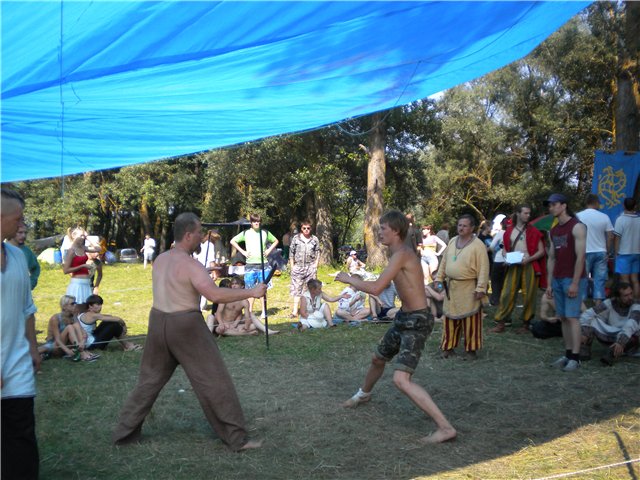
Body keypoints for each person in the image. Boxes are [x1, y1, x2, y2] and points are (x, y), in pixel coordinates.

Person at [112, 212, 267, 450]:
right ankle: (237, 439)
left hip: (157, 322)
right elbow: (214, 294)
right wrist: (251, 292)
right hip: (185, 325)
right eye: (198, 233)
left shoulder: (160, 260)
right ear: (187, 235)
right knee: (214, 380)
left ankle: (123, 435)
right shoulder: (192, 265)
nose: (201, 237)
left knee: (148, 381)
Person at [336, 210, 455, 444]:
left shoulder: (402, 254)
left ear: (396, 231)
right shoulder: (397, 253)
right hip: (404, 317)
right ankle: (364, 394)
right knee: (378, 358)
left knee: (401, 380)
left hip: (417, 321)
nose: (379, 232)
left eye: (383, 228)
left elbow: (376, 288)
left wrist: (349, 279)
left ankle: (445, 428)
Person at [1, 188, 40, 480]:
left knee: (21, 434)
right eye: (18, 218)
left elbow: (27, 308)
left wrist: (34, 348)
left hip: (17, 363)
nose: (22, 224)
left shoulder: (17, 256)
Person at [435, 214, 490, 360]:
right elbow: (444, 262)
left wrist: (481, 288)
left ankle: (471, 351)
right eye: (459, 225)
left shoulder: (478, 245)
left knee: (471, 320)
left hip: (469, 288)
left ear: (472, 228)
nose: (461, 228)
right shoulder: (452, 241)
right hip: (452, 288)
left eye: (465, 226)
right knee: (449, 319)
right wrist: (439, 278)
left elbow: (484, 268)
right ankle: (448, 348)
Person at [546, 193, 588, 372]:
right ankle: (568, 353)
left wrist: (575, 283)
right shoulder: (553, 231)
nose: (551, 208)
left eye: (554, 204)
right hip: (557, 278)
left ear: (564, 206)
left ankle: (576, 358)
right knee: (563, 317)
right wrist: (549, 283)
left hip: (572, 278)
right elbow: (551, 258)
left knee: (572, 317)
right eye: (549, 205)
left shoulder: (577, 227)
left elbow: (581, 257)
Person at [490, 205, 545, 334]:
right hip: (513, 265)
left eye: (529, 213)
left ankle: (526, 324)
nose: (528, 215)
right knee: (507, 293)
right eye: (525, 213)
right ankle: (501, 322)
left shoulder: (533, 231)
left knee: (529, 295)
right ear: (518, 214)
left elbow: (541, 251)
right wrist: (506, 257)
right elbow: (505, 249)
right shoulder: (509, 231)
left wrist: (529, 259)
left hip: (529, 265)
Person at [230, 213, 278, 318]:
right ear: (251, 222)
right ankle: (250, 311)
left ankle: (264, 311)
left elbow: (275, 241)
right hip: (250, 265)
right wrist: (243, 252)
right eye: (255, 221)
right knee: (250, 289)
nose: (257, 223)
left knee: (263, 289)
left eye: (258, 221)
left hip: (263, 264)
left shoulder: (265, 232)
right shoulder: (245, 233)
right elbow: (232, 241)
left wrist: (268, 250)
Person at [579, 282, 640, 366]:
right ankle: (584, 350)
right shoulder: (609, 303)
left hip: (628, 337)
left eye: (631, 293)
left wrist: (621, 341)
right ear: (618, 297)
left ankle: (611, 353)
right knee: (591, 320)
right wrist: (584, 331)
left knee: (635, 328)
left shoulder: (636, 305)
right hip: (612, 334)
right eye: (626, 295)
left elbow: (631, 324)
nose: (630, 297)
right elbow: (588, 313)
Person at [576, 194, 614, 306]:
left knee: (583, 278)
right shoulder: (604, 217)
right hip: (601, 251)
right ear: (596, 202)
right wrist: (608, 251)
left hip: (584, 251)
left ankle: (582, 303)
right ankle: (598, 303)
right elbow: (610, 236)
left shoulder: (578, 216)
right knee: (600, 279)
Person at [211, 277, 279, 336]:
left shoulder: (244, 301)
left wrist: (246, 326)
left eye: (236, 284)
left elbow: (246, 316)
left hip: (235, 323)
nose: (234, 286)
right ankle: (246, 333)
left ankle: (266, 330)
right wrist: (221, 323)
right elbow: (218, 312)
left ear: (242, 286)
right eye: (232, 284)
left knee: (252, 323)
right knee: (217, 328)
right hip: (223, 323)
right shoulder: (226, 297)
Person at [38, 295, 97, 362]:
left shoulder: (73, 316)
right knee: (69, 327)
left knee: (76, 325)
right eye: (72, 304)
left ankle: (82, 351)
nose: (75, 305)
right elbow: (57, 340)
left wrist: (82, 342)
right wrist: (68, 351)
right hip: (56, 346)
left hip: (67, 344)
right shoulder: (55, 318)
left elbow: (84, 333)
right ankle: (82, 353)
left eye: (75, 303)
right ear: (64, 306)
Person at [78, 295, 142, 352]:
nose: (100, 307)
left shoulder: (84, 313)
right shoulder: (93, 315)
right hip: (92, 345)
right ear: (90, 306)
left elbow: (108, 317)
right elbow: (118, 319)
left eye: (101, 304)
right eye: (98, 304)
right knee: (114, 325)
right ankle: (127, 346)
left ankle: (127, 344)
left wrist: (111, 318)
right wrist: (124, 326)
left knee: (108, 322)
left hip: (89, 339)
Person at [288, 221, 320, 318]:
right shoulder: (296, 238)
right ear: (301, 229)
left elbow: (318, 252)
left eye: (308, 228)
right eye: (304, 228)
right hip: (298, 267)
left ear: (311, 229)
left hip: (310, 267)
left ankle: (309, 309)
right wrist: (292, 266)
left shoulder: (314, 239)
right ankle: (294, 311)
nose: (306, 230)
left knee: (311, 289)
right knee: (297, 289)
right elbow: (291, 252)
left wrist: (315, 265)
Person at [62, 230, 100, 310]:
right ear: (74, 236)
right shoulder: (71, 251)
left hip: (86, 283)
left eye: (84, 236)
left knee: (86, 309)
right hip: (77, 284)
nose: (83, 238)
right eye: (81, 236)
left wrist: (88, 238)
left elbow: (98, 249)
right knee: (77, 309)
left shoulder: (83, 248)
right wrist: (82, 266)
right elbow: (66, 270)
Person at [613, 198, 640, 300]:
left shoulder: (620, 219)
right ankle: (636, 302)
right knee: (635, 280)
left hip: (624, 253)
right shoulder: (639, 219)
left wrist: (616, 252)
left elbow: (617, 238)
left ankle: (628, 302)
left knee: (625, 281)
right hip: (637, 253)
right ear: (635, 206)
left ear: (623, 206)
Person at [6, 224, 40, 290]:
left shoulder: (26, 251)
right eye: (20, 232)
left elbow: (35, 268)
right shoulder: (3, 250)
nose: (24, 235)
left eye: (25, 233)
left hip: (23, 292)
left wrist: (31, 283)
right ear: (11, 232)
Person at [488, 217, 508, 306]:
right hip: (508, 260)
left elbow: (492, 246)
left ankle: (495, 299)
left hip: (498, 259)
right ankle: (504, 299)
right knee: (504, 280)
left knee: (495, 281)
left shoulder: (500, 233)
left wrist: (494, 251)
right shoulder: (512, 233)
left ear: (501, 224)